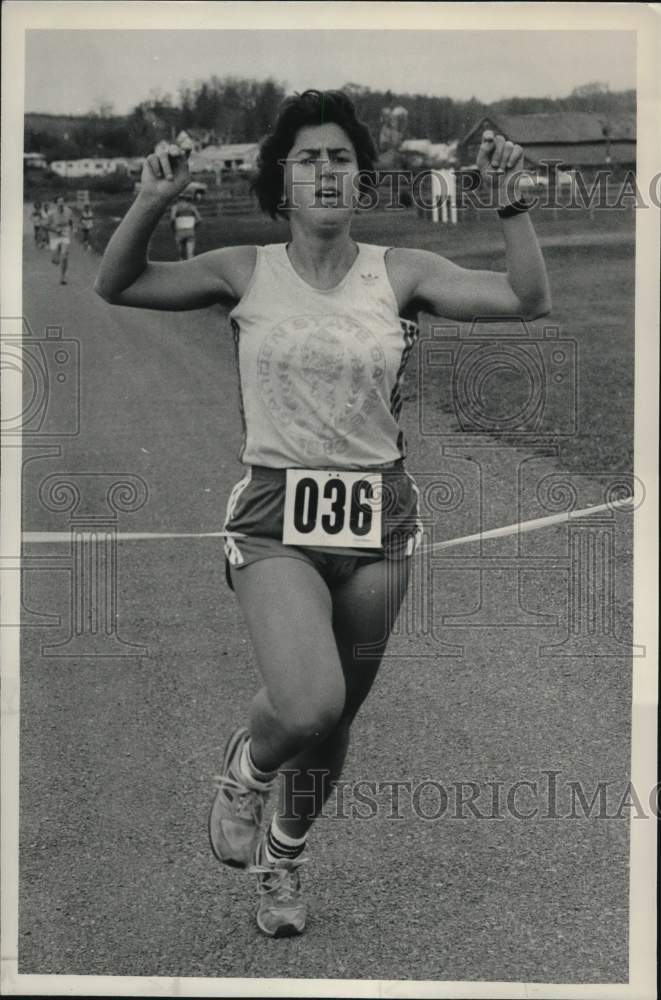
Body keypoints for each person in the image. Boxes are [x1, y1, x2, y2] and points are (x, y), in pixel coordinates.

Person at [95, 90, 551, 939]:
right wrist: (153, 200)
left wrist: (511, 202)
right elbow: (116, 284)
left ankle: (283, 858)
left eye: (341, 156)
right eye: (309, 157)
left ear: (360, 177)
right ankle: (245, 767)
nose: (327, 170)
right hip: (276, 516)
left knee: (337, 715)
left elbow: (525, 300)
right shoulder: (244, 269)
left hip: (378, 521)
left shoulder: (401, 272)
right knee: (305, 704)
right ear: (282, 182)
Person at [47, 196, 74, 284]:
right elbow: (45, 226)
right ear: (56, 203)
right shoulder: (51, 213)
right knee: (55, 260)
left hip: (65, 234)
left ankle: (62, 278)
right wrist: (55, 230)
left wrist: (72, 229)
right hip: (54, 235)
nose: (61, 204)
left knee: (64, 256)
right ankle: (55, 258)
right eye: (59, 202)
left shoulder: (69, 211)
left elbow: (70, 222)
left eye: (62, 202)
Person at [169, 192, 202, 259]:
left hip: (179, 231)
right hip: (190, 230)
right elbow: (199, 219)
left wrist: (173, 228)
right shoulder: (192, 207)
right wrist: (193, 226)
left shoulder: (175, 207)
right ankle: (191, 268)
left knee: (181, 254)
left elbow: (172, 219)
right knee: (190, 254)